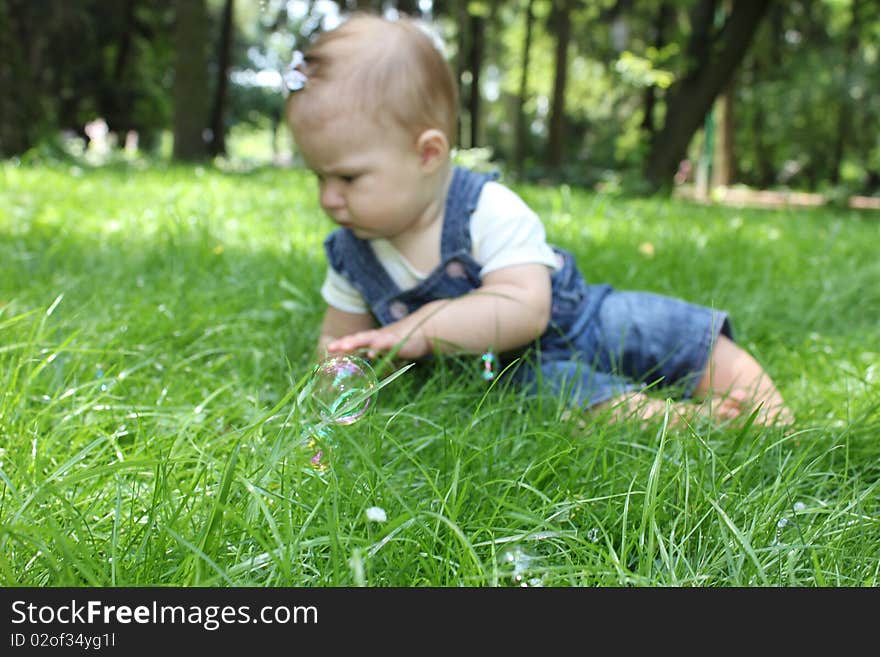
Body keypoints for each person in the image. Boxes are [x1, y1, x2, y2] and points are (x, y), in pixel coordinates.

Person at [284, 12, 794, 428]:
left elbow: (524, 308)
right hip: (508, 368)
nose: (330, 199)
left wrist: (417, 330)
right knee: (560, 395)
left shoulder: (487, 208)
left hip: (575, 318)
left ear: (427, 154)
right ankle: (672, 422)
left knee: (657, 326)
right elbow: (336, 346)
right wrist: (335, 385)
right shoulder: (351, 253)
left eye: (348, 178)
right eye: (317, 177)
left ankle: (765, 408)